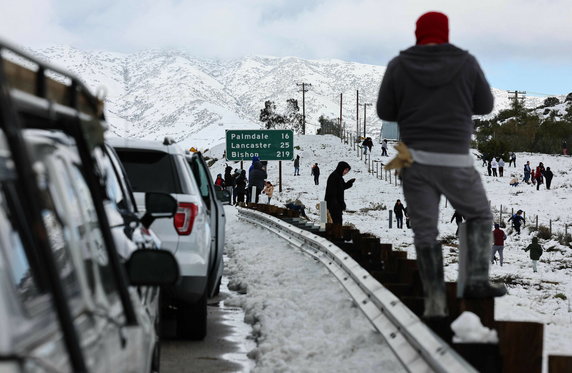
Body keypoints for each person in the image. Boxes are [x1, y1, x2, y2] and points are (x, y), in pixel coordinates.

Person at [376, 11, 505, 318]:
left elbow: (384, 110)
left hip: (415, 161)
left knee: (425, 231)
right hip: (456, 160)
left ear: (418, 32)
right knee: (478, 215)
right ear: (445, 32)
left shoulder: (399, 65)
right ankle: (474, 281)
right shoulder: (466, 62)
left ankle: (434, 300)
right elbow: (485, 106)